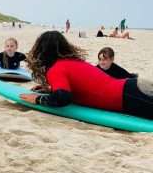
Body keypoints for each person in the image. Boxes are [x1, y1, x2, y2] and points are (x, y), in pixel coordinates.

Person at [20, 31, 153, 119]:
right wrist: (50, 89)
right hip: (132, 88)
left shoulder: (55, 69)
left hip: (128, 96)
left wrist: (38, 100)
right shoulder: (72, 61)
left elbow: (63, 98)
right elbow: (80, 86)